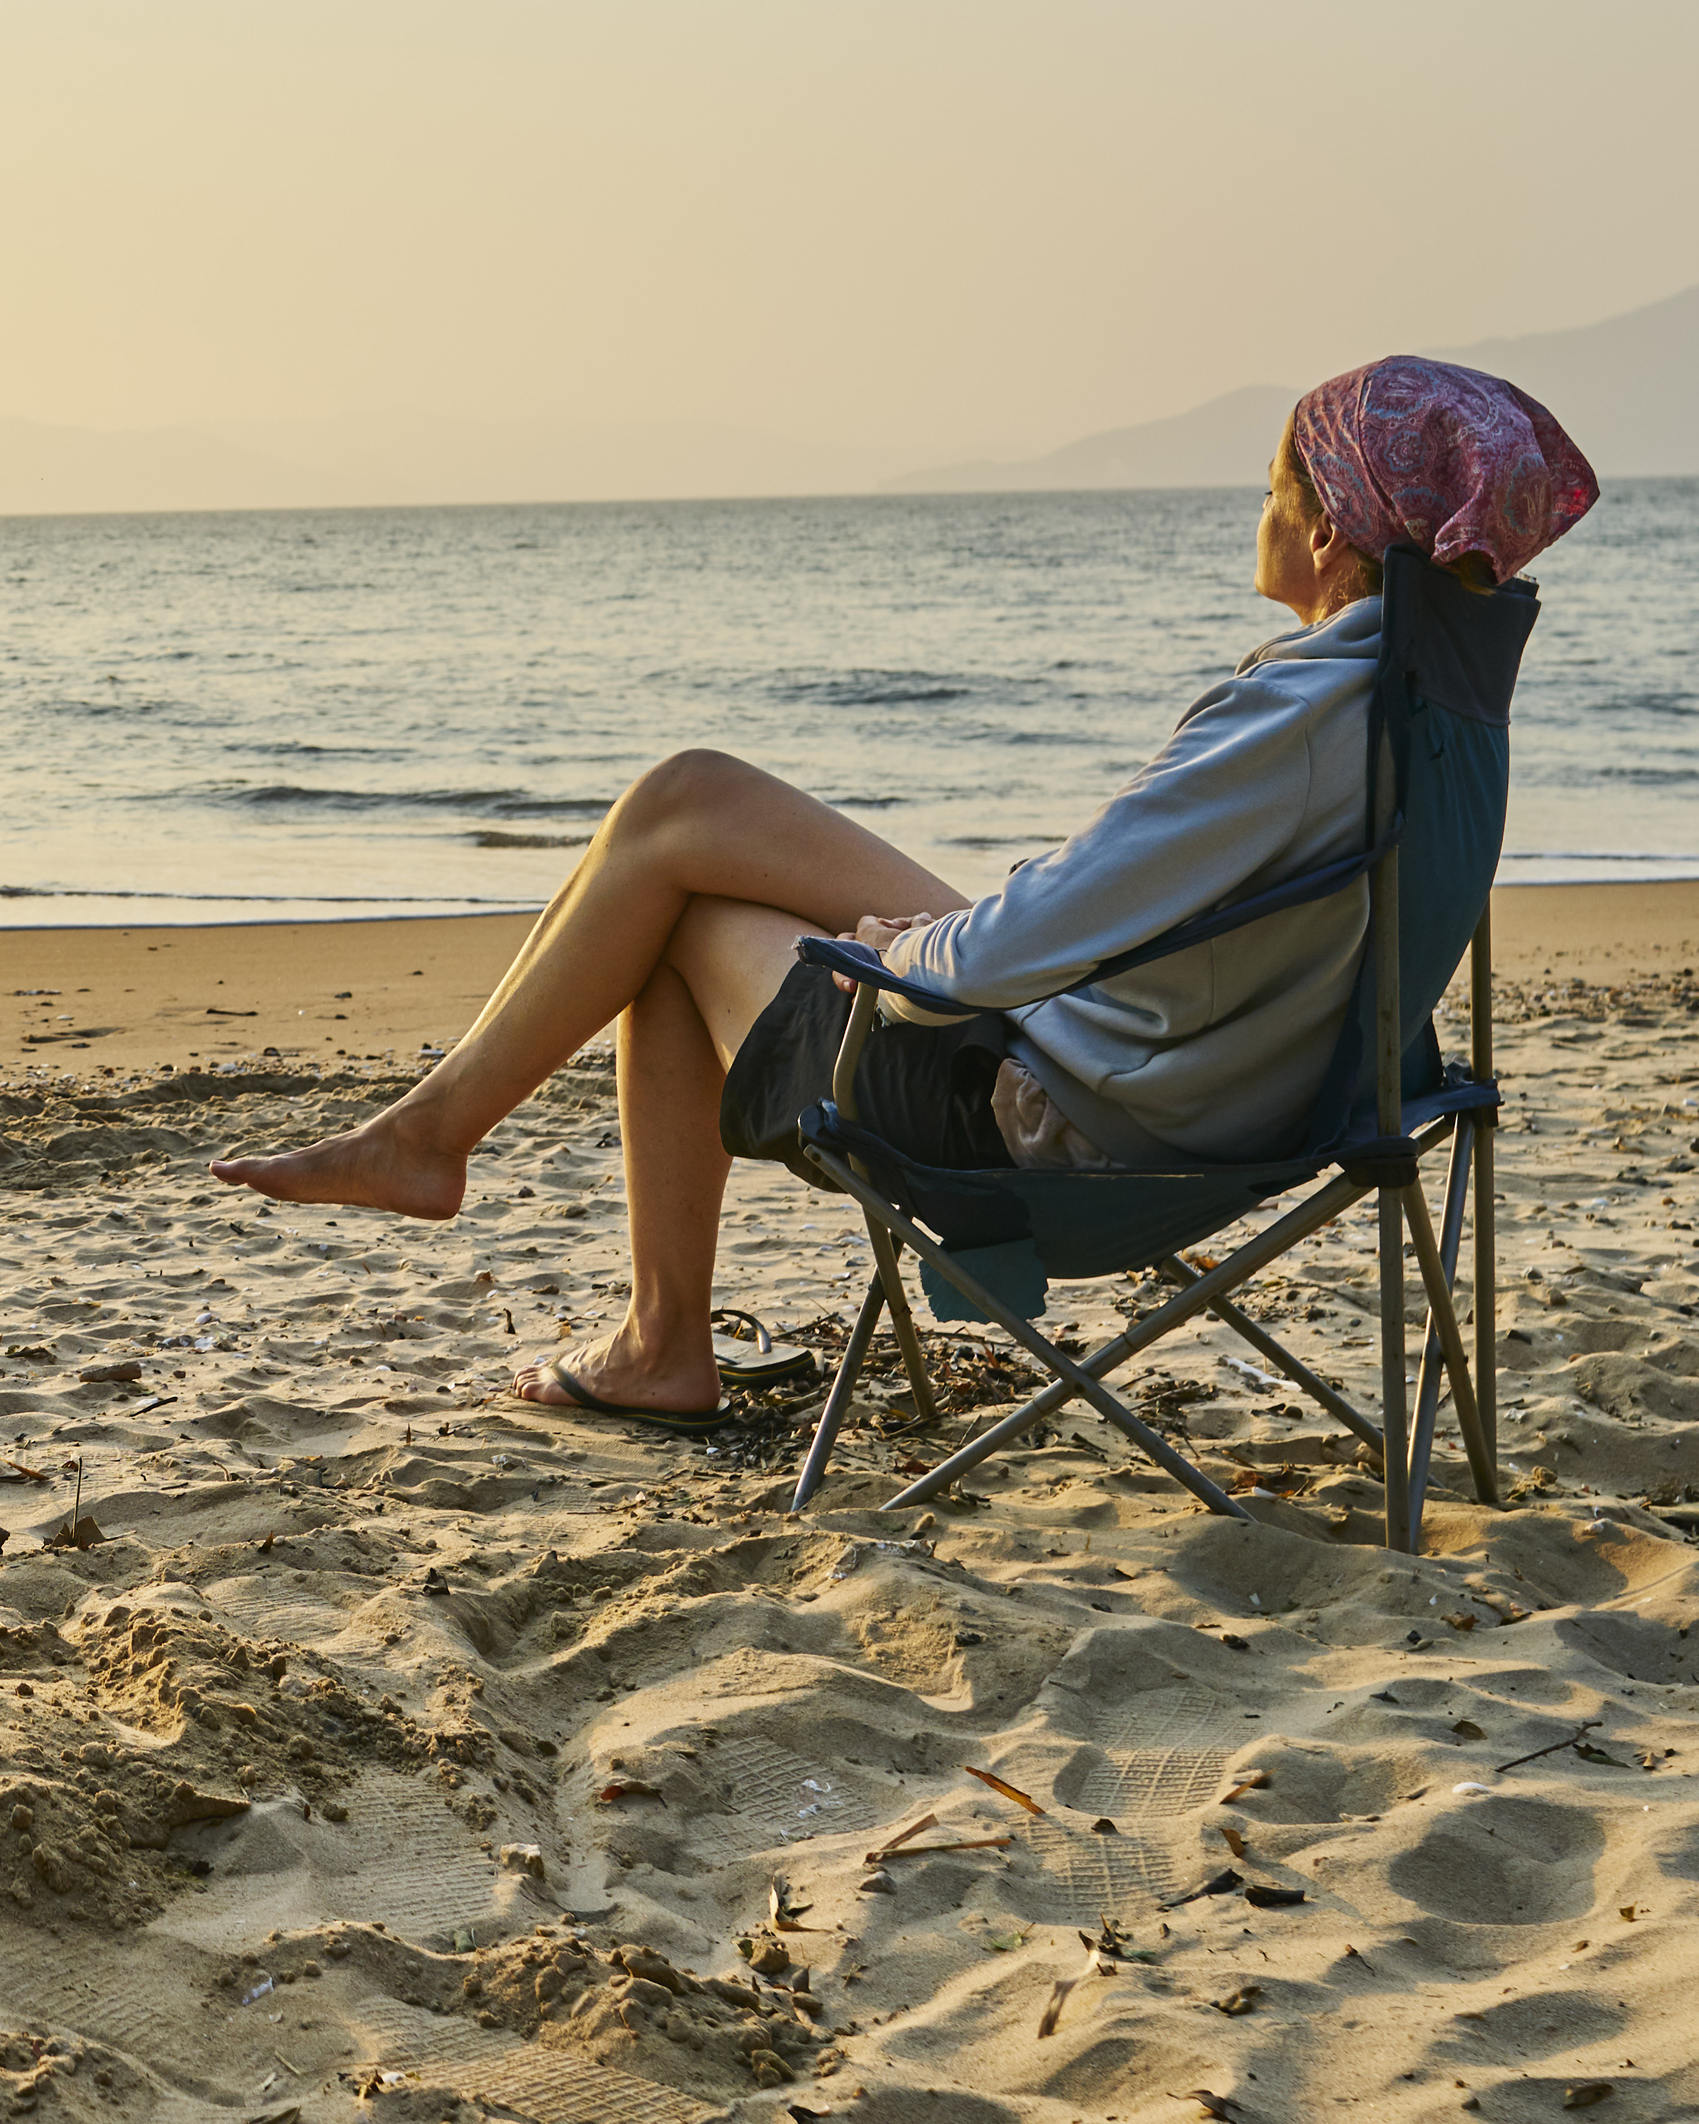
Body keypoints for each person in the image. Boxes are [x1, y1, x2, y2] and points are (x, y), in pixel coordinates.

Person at [211, 356, 1597, 1430]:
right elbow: (1109, 914)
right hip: (1212, 1079)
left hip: (1061, 1121)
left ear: (1333, 528)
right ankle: (464, 1165)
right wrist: (942, 941)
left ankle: (614, 1302)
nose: (1262, 513)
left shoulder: (1298, 720)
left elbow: (1021, 942)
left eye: (1276, 487)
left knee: (675, 909)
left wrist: (906, 954)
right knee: (690, 798)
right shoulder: (1422, 703)